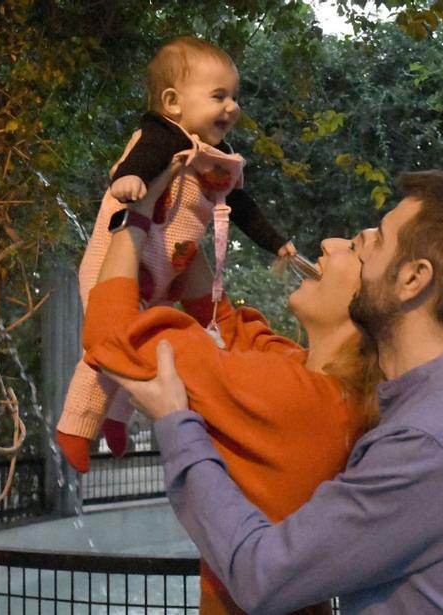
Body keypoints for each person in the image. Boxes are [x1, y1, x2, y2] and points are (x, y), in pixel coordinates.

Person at [107, 171, 443, 614]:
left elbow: (263, 577)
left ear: (414, 279)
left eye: (378, 239)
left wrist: (175, 425)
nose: (352, 241)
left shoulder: (427, 443)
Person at [73, 161, 381, 614]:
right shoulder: (321, 384)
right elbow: (227, 328)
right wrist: (182, 226)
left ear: (371, 304)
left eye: (354, 249)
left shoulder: (294, 395)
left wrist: (134, 219)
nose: (330, 243)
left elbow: (112, 334)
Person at [57, 36, 296, 471]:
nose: (231, 108)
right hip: (117, 263)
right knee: (106, 348)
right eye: (219, 96)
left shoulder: (217, 157)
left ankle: (116, 416)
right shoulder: (161, 136)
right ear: (173, 103)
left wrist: (274, 240)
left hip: (168, 267)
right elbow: (140, 161)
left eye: (234, 97)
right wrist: (130, 180)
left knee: (146, 348)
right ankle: (75, 426)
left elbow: (241, 205)